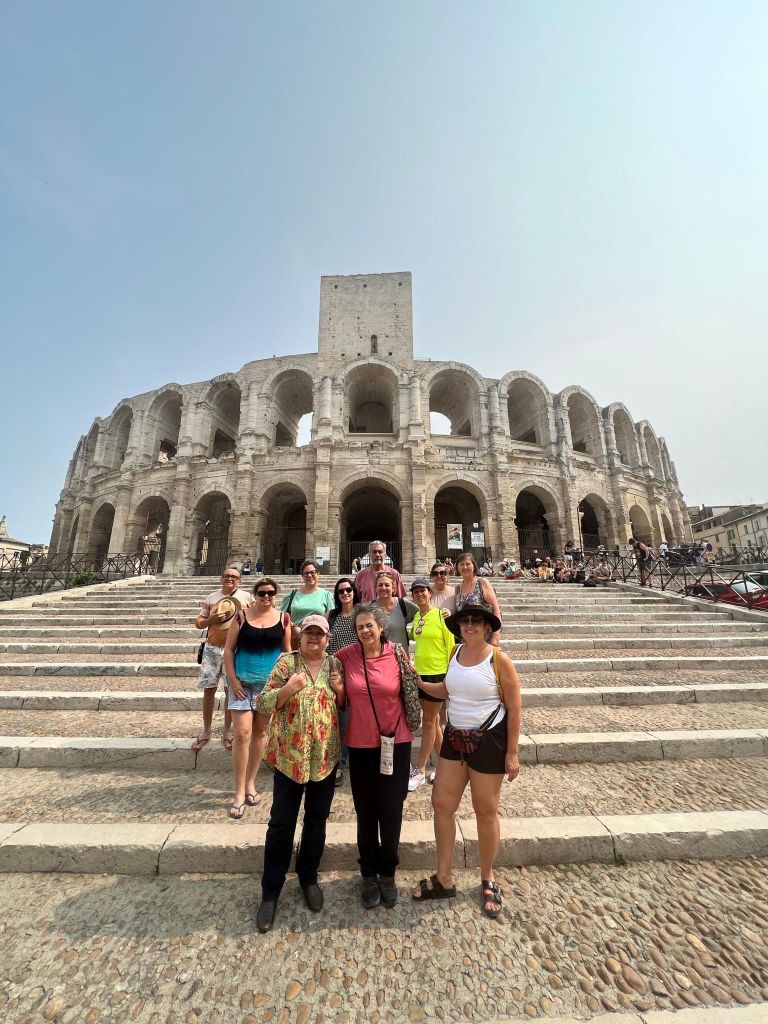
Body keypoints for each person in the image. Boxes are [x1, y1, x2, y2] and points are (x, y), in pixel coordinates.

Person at [413, 605, 521, 918]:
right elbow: (447, 689)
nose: (469, 625)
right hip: (455, 740)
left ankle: (487, 877)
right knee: (441, 804)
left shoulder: (499, 659)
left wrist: (512, 753)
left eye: (476, 621)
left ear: (487, 627)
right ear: (458, 627)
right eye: (465, 621)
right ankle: (444, 877)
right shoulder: (455, 654)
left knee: (485, 810)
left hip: (488, 741)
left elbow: (514, 708)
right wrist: (418, 681)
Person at [253, 615, 345, 933]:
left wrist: (341, 692)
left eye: (319, 633)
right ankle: (271, 892)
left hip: (323, 759)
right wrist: (288, 690)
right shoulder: (285, 665)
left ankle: (308, 878)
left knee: (317, 821)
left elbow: (344, 705)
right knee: (281, 824)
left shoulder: (335, 665)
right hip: (289, 759)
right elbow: (262, 704)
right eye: (308, 633)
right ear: (299, 635)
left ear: (327, 637)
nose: (314, 638)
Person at [334, 604, 418, 910]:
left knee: (391, 809)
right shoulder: (346, 656)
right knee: (366, 811)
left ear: (381, 626)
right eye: (360, 627)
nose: (365, 631)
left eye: (370, 625)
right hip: (360, 744)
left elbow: (413, 687)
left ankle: (388, 872)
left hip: (396, 742)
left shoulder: (397, 653)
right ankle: (368, 872)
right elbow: (315, 661)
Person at [223, 577, 291, 819]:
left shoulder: (283, 618)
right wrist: (232, 680)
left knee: (261, 733)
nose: (266, 596)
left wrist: (281, 684)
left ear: (276, 595)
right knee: (242, 733)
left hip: (268, 686)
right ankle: (239, 791)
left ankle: (250, 782)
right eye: (262, 592)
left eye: (270, 592)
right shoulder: (241, 616)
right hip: (242, 684)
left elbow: (286, 653)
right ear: (255, 594)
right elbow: (229, 649)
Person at [192, 567, 253, 752]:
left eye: (234, 577)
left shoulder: (247, 598)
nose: (230, 579)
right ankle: (206, 730)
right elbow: (198, 623)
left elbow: (253, 619)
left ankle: (227, 731)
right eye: (226, 576)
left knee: (230, 690)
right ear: (221, 578)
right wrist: (210, 619)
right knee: (208, 689)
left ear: (240, 580)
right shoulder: (211, 598)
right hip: (211, 649)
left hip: (234, 650)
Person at [406, 577, 454, 791]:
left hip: (438, 674)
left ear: (430, 593)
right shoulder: (417, 617)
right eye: (415, 592)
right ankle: (446, 765)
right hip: (421, 673)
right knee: (433, 723)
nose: (419, 595)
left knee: (428, 721)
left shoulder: (442, 616)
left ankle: (421, 769)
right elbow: (412, 634)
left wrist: (450, 675)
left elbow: (452, 645)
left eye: (422, 591)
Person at [328, 577, 361, 787]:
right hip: (335, 671)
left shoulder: (361, 613)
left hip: (357, 670)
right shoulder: (331, 615)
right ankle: (339, 762)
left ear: (354, 592)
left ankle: (351, 758)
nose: (345, 594)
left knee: (353, 718)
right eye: (341, 591)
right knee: (339, 718)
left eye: (348, 590)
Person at [281, 559, 334, 646]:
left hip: (317, 640)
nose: (309, 575)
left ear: (318, 573)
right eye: (306, 573)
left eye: (312, 572)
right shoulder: (291, 595)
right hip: (295, 639)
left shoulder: (326, 595)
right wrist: (294, 628)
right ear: (302, 576)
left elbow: (331, 620)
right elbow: (283, 618)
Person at [454, 552, 503, 644]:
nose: (465, 567)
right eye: (462, 564)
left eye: (468, 564)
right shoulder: (457, 589)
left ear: (474, 566)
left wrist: (496, 635)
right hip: (466, 638)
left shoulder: (482, 583)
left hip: (484, 638)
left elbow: (496, 610)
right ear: (457, 568)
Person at [375, 570, 417, 647]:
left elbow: (424, 614)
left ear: (393, 588)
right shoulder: (370, 608)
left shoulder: (404, 605)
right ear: (376, 588)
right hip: (378, 657)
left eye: (387, 585)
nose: (383, 588)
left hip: (400, 657)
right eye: (380, 585)